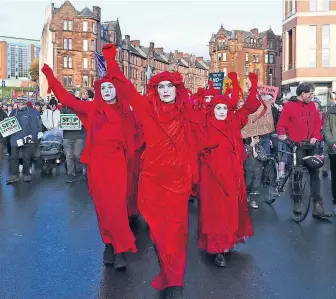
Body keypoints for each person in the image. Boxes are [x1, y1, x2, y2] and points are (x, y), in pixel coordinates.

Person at [102, 43, 201, 299]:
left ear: (176, 89)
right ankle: (167, 272)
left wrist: (194, 175)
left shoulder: (187, 113)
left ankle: (175, 283)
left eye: (170, 86)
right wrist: (111, 59)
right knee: (159, 235)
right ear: (155, 90)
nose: (165, 90)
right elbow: (123, 86)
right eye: (161, 86)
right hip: (153, 183)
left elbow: (199, 138)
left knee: (177, 234)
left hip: (178, 183)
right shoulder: (146, 109)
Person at [41, 52, 137, 270]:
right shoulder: (93, 109)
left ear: (116, 90)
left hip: (117, 165)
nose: (107, 91)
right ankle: (109, 244)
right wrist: (51, 76)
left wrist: (112, 61)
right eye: (103, 88)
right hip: (97, 166)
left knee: (117, 208)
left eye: (110, 87)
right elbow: (67, 99)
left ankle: (121, 248)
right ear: (99, 92)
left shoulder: (125, 111)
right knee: (103, 208)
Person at [197, 72, 259, 269]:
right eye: (218, 107)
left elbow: (249, 107)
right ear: (212, 109)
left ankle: (225, 245)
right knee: (214, 213)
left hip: (232, 175)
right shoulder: (203, 123)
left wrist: (254, 85)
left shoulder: (233, 121)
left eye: (224, 108)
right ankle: (216, 250)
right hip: (211, 176)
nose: (222, 111)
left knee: (229, 211)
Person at [276, 82, 331, 218]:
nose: (312, 96)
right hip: (297, 145)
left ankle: (318, 206)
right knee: (298, 174)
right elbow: (281, 124)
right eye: (310, 94)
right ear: (303, 94)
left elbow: (318, 124)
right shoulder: (289, 106)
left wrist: (316, 137)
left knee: (315, 173)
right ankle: (297, 202)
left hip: (311, 145)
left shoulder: (312, 106)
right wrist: (282, 134)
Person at [6, 99, 40, 184]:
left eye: (22, 104)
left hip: (26, 139)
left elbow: (34, 126)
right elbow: (8, 123)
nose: (20, 105)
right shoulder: (14, 112)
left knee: (26, 157)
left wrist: (33, 137)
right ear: (16, 104)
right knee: (13, 158)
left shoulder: (31, 112)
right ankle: (14, 175)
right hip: (15, 138)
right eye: (18, 104)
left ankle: (26, 174)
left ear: (25, 104)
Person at [61, 99, 86, 183]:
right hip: (67, 135)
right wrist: (60, 123)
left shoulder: (81, 107)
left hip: (79, 135)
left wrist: (84, 122)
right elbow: (62, 119)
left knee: (77, 155)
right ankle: (71, 174)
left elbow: (87, 119)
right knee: (68, 155)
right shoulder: (64, 108)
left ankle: (78, 168)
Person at [244, 135, 267, 209]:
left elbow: (264, 157)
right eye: (255, 138)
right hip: (248, 169)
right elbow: (243, 155)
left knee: (256, 185)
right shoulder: (246, 146)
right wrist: (250, 147)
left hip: (258, 170)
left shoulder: (260, 147)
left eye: (258, 138)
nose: (257, 140)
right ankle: (246, 194)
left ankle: (253, 200)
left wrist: (258, 156)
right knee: (247, 183)